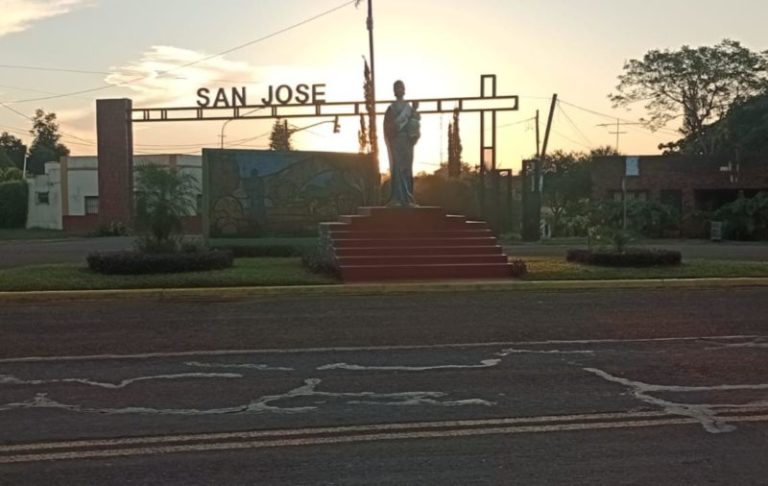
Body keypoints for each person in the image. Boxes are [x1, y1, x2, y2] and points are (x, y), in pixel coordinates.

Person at [383, 80, 420, 207]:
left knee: (407, 169)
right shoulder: (391, 108)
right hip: (396, 142)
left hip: (407, 143)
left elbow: (415, 123)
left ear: (404, 90)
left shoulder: (409, 108)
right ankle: (397, 198)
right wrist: (393, 129)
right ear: (394, 91)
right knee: (397, 169)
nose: (399, 90)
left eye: (401, 88)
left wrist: (414, 111)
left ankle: (408, 197)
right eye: (396, 88)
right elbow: (387, 127)